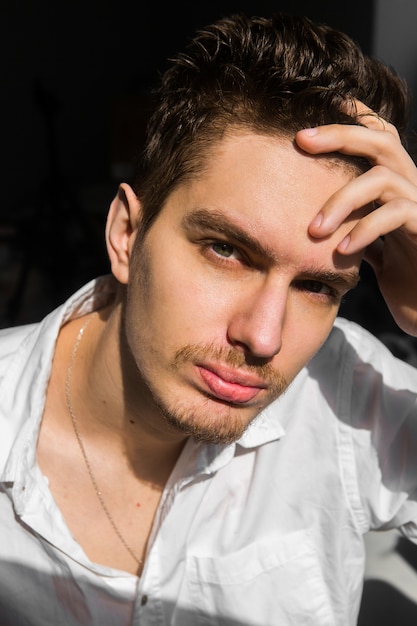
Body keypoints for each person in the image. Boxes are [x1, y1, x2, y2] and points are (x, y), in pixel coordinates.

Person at [1, 11, 417, 626]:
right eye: (227, 250)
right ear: (125, 234)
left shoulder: (349, 398)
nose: (263, 336)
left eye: (315, 285)